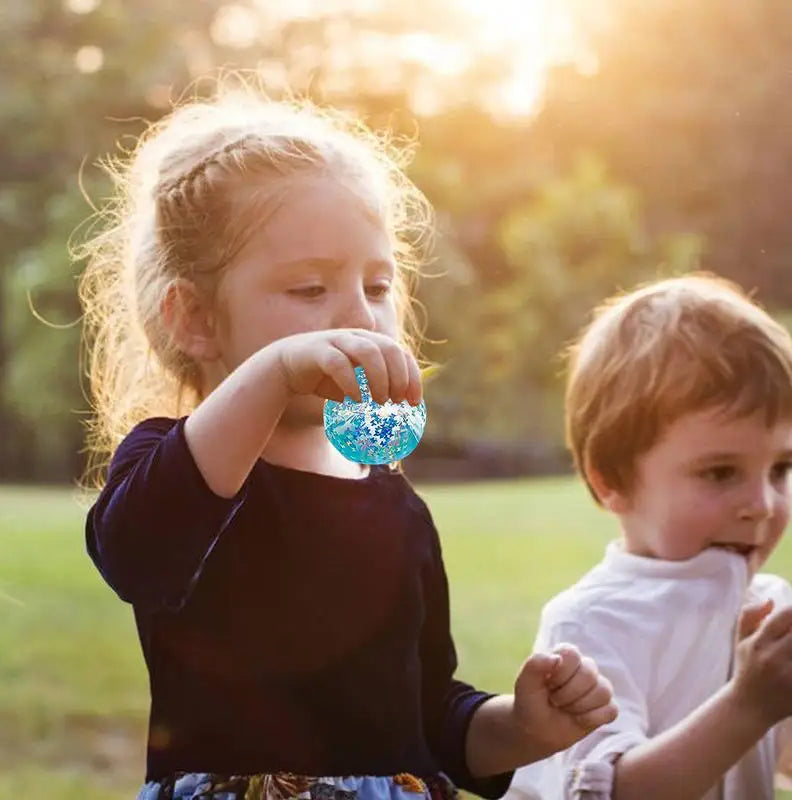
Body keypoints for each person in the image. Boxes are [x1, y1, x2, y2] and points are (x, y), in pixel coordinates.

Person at [76, 83, 617, 800]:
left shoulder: (394, 505)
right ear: (196, 319)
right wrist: (274, 374)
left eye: (379, 283)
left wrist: (520, 727)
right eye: (309, 290)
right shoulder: (174, 470)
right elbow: (137, 555)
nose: (360, 315)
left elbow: (426, 717)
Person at [507, 274, 792, 800]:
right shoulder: (592, 625)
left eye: (780, 469)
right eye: (721, 472)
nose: (763, 504)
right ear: (611, 480)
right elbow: (607, 791)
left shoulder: (770, 608)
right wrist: (749, 703)